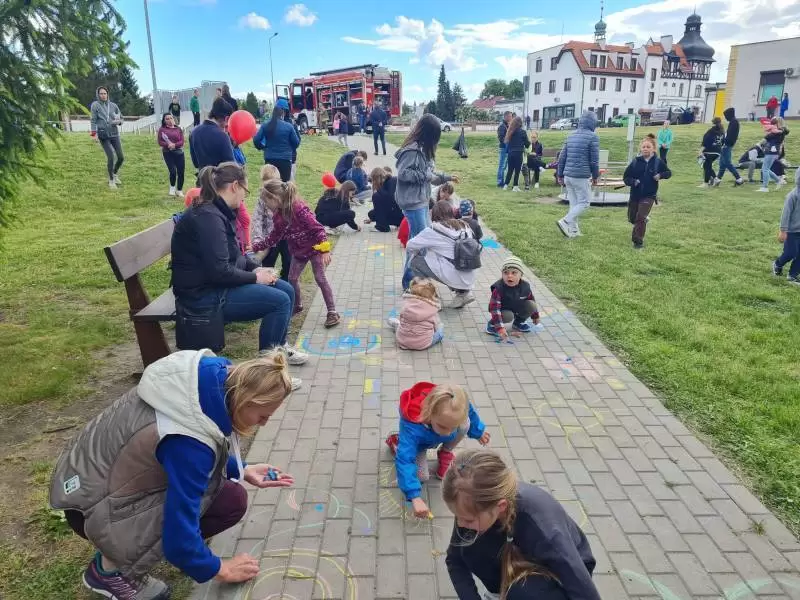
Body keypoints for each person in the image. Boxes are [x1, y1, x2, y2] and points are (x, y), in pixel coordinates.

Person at [50, 349, 297, 600]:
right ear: (245, 399)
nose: (263, 424)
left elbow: (182, 454)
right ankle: (109, 572)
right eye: (263, 416)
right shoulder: (190, 441)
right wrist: (219, 569)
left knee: (229, 498)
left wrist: (242, 469)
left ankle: (138, 547)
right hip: (90, 508)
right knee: (213, 504)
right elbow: (180, 524)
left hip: (81, 479)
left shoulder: (203, 383)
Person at [170, 162, 308, 366]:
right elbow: (219, 272)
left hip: (215, 285)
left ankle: (279, 348)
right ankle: (267, 369)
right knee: (280, 301)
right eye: (245, 190)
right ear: (235, 186)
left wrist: (256, 268)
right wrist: (256, 278)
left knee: (286, 289)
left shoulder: (219, 211)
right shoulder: (208, 217)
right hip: (202, 295)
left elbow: (235, 255)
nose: (245, 196)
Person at [443, 449, 600, 600]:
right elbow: (454, 560)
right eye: (458, 516)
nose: (460, 524)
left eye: (468, 520)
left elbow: (584, 592)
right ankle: (499, 592)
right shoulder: (471, 504)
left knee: (522, 594)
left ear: (501, 506)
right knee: (469, 547)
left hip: (559, 574)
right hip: (516, 553)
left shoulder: (545, 531)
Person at [385, 383, 489, 518]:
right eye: (443, 426)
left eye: (453, 427)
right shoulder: (411, 427)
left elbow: (469, 411)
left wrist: (478, 432)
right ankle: (396, 443)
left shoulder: (454, 404)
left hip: (432, 436)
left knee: (465, 423)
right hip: (419, 446)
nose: (448, 433)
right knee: (422, 476)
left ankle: (445, 452)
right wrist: (414, 496)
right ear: (429, 412)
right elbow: (405, 460)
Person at [252, 179, 340, 328]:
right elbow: (274, 237)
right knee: (292, 278)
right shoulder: (278, 216)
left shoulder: (298, 209)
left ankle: (332, 312)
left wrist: (325, 250)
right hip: (298, 252)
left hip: (314, 249)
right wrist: (256, 246)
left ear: (275, 198)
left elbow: (318, 229)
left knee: (320, 278)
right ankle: (297, 305)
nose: (266, 206)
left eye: (266, 202)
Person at [395, 114, 458, 289]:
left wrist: (446, 177)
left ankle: (410, 280)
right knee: (422, 243)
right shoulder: (412, 150)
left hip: (422, 200)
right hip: (412, 202)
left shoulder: (424, 150)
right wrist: (426, 175)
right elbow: (403, 174)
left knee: (416, 241)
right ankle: (412, 282)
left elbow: (430, 175)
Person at [406, 201, 478, 308]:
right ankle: (463, 293)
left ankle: (431, 298)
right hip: (469, 274)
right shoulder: (464, 225)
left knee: (415, 262)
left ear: (433, 214)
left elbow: (410, 245)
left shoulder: (434, 229)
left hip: (452, 274)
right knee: (448, 260)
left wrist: (421, 250)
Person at [556, 110, 600, 238]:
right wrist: (595, 176)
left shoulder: (571, 135)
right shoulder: (593, 137)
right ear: (593, 123)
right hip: (581, 176)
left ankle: (573, 231)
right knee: (585, 203)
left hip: (568, 176)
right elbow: (594, 161)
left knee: (574, 204)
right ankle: (565, 221)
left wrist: (560, 174)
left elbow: (562, 156)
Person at [623, 137, 671, 249]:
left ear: (653, 149)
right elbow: (626, 178)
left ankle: (638, 242)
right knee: (633, 218)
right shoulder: (635, 162)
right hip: (635, 195)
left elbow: (668, 173)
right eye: (643, 147)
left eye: (648, 147)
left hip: (649, 195)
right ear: (640, 148)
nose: (645, 149)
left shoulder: (658, 162)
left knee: (640, 218)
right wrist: (633, 182)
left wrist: (660, 175)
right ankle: (643, 220)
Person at [251, 165, 292, 281]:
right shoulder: (262, 199)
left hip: (285, 237)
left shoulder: (285, 197)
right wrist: (258, 239)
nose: (270, 190)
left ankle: (286, 281)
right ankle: (269, 282)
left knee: (288, 261)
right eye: (267, 185)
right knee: (268, 263)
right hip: (269, 238)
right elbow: (257, 219)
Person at [485, 255, 541, 339]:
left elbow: (531, 298)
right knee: (508, 316)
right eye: (506, 273)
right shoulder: (498, 288)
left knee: (531, 304)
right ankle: (492, 325)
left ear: (521, 274)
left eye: (514, 273)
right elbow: (495, 309)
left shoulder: (525, 286)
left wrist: (535, 316)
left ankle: (518, 322)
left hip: (516, 308)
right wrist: (500, 328)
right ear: (502, 274)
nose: (509, 276)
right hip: (503, 311)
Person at [386, 277, 444, 350]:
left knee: (401, 325)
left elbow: (401, 319)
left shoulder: (406, 306)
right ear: (432, 295)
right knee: (440, 332)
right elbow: (435, 327)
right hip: (422, 344)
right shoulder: (432, 310)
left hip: (403, 341)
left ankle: (396, 325)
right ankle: (398, 326)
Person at [252, 106, 301, 183]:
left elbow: (256, 140)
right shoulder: (289, 126)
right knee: (284, 185)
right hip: (285, 160)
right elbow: (296, 143)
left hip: (270, 158)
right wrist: (289, 148)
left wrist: (263, 147)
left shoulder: (265, 125)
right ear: (282, 114)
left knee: (270, 184)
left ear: (273, 114)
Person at [90, 86, 125, 189]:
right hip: (103, 135)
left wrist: (119, 122)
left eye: (105, 93)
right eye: (101, 93)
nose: (103, 95)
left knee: (121, 157)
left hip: (114, 134)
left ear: (107, 94)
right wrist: (94, 134)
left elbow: (122, 118)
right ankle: (111, 180)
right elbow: (93, 120)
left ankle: (114, 173)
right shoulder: (95, 105)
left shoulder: (113, 105)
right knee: (111, 157)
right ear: (98, 95)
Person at [189, 98, 235, 171]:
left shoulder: (193, 132)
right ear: (227, 118)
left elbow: (195, 163)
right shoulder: (222, 136)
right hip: (220, 177)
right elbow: (231, 167)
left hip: (202, 176)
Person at [773, 168, 800, 285]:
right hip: (792, 231)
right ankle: (778, 264)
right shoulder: (793, 196)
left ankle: (793, 275)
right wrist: (783, 230)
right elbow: (785, 214)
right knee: (791, 253)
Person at [158, 113, 186, 197]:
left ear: (173, 119)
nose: (170, 120)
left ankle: (179, 190)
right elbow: (160, 142)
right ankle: (172, 188)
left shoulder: (178, 129)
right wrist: (168, 145)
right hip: (168, 153)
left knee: (181, 172)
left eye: (171, 118)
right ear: (164, 121)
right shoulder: (162, 129)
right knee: (173, 171)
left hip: (179, 152)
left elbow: (182, 141)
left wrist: (175, 145)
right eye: (167, 119)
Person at [367, 167, 403, 232]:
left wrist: (378, 191)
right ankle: (396, 224)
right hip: (398, 212)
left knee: (376, 196)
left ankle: (382, 227)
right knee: (371, 214)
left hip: (401, 214)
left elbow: (391, 199)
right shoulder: (387, 183)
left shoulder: (392, 181)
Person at [758, 118, 788, 192]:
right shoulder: (782, 131)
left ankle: (765, 187)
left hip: (770, 152)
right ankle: (779, 181)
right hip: (775, 152)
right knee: (766, 169)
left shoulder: (774, 133)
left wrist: (759, 144)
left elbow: (763, 141)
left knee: (765, 169)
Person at [716, 108, 744, 186]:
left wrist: (724, 142)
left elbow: (730, 136)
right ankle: (718, 179)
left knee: (727, 163)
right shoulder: (733, 121)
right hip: (727, 144)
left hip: (727, 145)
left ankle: (739, 179)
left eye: (726, 116)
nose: (725, 118)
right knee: (722, 163)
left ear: (729, 115)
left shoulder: (734, 122)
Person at [504, 116, 530, 191]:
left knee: (510, 170)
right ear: (520, 123)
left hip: (510, 153)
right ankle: (515, 186)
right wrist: (529, 142)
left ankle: (505, 185)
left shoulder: (510, 131)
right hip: (518, 153)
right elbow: (527, 144)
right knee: (517, 171)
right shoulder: (523, 132)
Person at [698, 117, 724, 188]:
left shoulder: (711, 131)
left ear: (713, 123)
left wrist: (700, 151)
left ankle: (706, 183)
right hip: (717, 152)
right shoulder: (722, 131)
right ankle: (716, 179)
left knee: (706, 167)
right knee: (707, 166)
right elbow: (723, 142)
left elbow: (706, 142)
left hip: (709, 151)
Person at [496, 111, 512, 187]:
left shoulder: (507, 125)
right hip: (503, 148)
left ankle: (503, 181)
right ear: (506, 117)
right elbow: (501, 138)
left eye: (511, 116)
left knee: (504, 166)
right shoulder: (502, 126)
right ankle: (500, 182)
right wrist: (507, 142)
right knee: (502, 166)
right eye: (510, 116)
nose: (511, 118)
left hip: (507, 148)